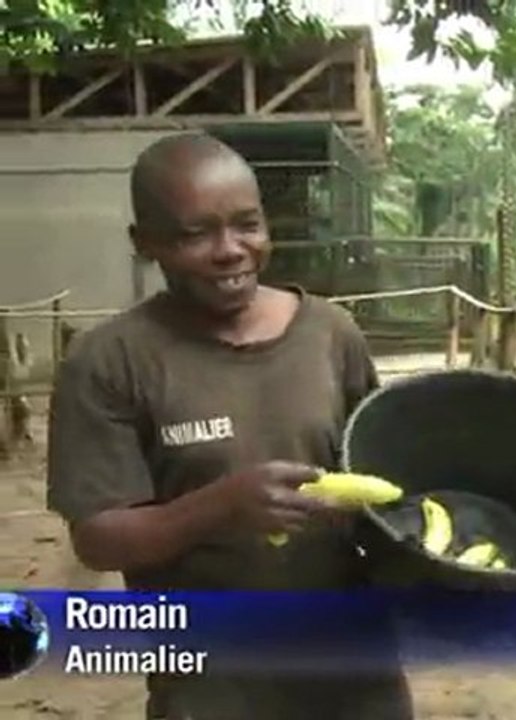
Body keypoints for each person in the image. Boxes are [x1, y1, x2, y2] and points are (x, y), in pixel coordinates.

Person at [45, 131, 414, 719]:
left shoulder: (331, 334)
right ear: (145, 244)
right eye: (195, 233)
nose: (231, 249)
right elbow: (97, 538)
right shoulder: (109, 361)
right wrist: (220, 505)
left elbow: (378, 481)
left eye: (248, 224)